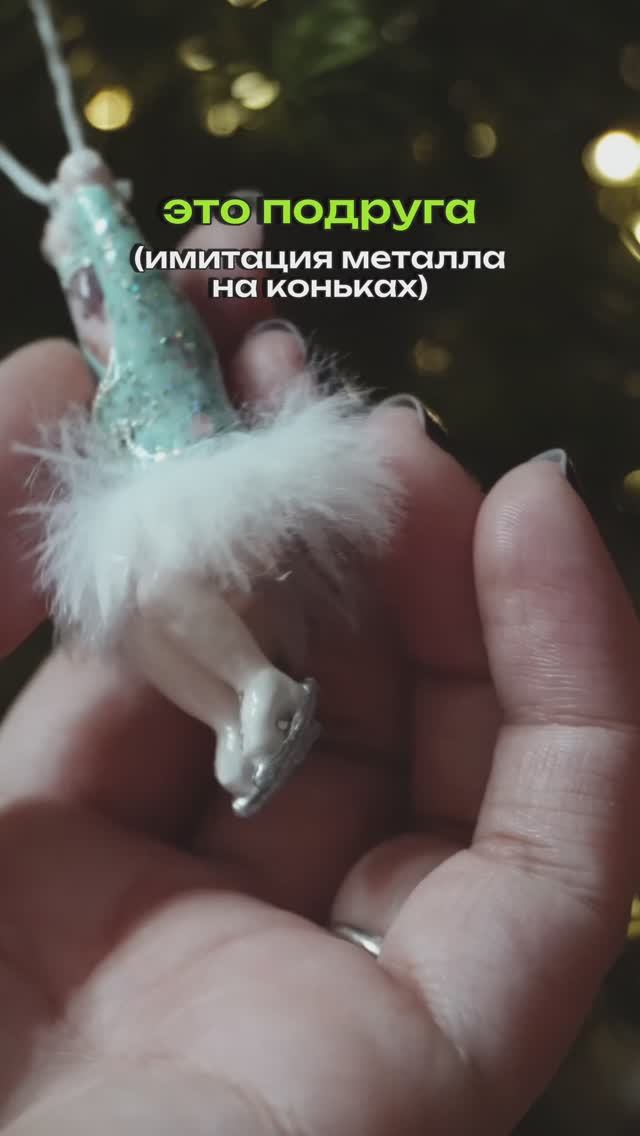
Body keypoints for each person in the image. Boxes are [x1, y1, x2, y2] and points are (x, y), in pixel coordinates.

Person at [0, 211, 639, 1136]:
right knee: (135, 613)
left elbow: (131, 283)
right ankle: (238, 714)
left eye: (79, 266)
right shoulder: (105, 348)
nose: (82, 289)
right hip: (174, 500)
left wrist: (91, 212)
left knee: (152, 582)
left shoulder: (136, 307)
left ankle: (257, 689)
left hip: (208, 487)